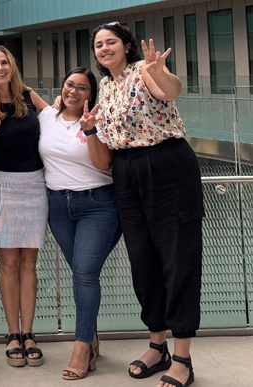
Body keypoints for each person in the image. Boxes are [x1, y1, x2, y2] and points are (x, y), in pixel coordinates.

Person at [91, 22, 203, 387]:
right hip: (125, 173)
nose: (104, 48)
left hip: (166, 164)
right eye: (98, 45)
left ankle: (183, 357)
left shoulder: (144, 70)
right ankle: (158, 345)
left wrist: (159, 72)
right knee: (142, 260)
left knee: (178, 258)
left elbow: (170, 92)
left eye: (110, 42)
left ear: (126, 46)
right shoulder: (106, 87)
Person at [38, 67, 122, 380]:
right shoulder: (46, 116)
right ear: (61, 88)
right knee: (81, 274)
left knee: (85, 273)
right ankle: (93, 338)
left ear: (92, 94)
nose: (74, 91)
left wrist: (89, 131)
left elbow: (104, 165)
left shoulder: (99, 120)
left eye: (82, 88)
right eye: (70, 85)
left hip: (98, 205)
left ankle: (81, 347)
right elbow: (22, 93)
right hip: (58, 206)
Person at [0, 45, 48, 368]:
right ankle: (12, 333)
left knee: (29, 262)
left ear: (12, 66)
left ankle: (29, 333)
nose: (1, 68)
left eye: (4, 62)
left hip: (34, 185)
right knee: (7, 263)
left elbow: (57, 121)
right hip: (0, 186)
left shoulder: (29, 96)